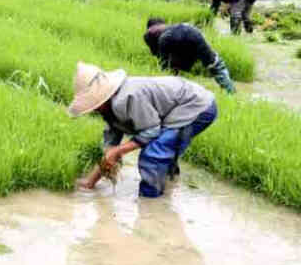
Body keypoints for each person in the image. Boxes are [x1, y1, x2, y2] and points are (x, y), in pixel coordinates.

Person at [68, 62, 218, 198]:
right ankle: (169, 183)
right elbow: (109, 152)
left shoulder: (127, 98)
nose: (92, 109)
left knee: (153, 154)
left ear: (101, 97)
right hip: (179, 105)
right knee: (165, 146)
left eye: (92, 105)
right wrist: (90, 182)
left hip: (196, 105)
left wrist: (119, 151)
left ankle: (150, 201)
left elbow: (152, 130)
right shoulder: (109, 110)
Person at [144, 17, 235, 93]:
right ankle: (231, 92)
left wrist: (167, 64)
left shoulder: (149, 33)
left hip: (170, 38)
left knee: (168, 69)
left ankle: (173, 90)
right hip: (192, 31)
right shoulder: (166, 27)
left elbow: (157, 54)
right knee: (215, 65)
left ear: (149, 26)